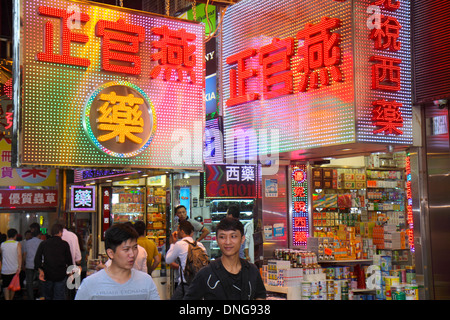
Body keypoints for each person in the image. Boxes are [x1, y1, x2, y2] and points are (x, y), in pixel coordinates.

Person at [183, 217, 266, 300]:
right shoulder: (206, 273)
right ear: (217, 240)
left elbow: (260, 296)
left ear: (242, 239)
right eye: (222, 237)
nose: (228, 242)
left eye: (233, 236)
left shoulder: (252, 271)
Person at [75, 223, 160, 300]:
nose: (132, 254)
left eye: (134, 248)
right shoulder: (90, 284)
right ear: (111, 253)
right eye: (126, 249)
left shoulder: (146, 282)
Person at [166, 220, 208, 300]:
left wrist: (172, 243)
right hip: (199, 284)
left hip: (185, 284)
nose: (177, 232)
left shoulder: (180, 244)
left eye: (178, 230)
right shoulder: (200, 245)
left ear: (182, 231)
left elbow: (168, 260)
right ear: (191, 233)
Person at [34, 223, 73, 300]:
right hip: (61, 275)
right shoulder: (64, 244)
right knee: (59, 296)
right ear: (60, 232)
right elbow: (69, 260)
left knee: (48, 296)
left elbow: (37, 259)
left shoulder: (44, 243)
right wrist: (70, 274)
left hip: (47, 274)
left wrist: (40, 270)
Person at [22, 222, 43, 300]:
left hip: (29, 265)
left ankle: (30, 297)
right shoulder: (42, 242)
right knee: (41, 282)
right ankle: (39, 297)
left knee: (29, 283)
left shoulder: (27, 243)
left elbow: (24, 255)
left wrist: (23, 265)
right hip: (39, 266)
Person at [0, 228, 22, 300]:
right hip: (14, 269)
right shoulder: (17, 244)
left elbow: (2, 256)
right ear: (15, 236)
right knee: (13, 286)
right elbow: (19, 256)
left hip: (5, 269)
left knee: (6, 286)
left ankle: (7, 299)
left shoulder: (2, 244)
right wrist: (20, 267)